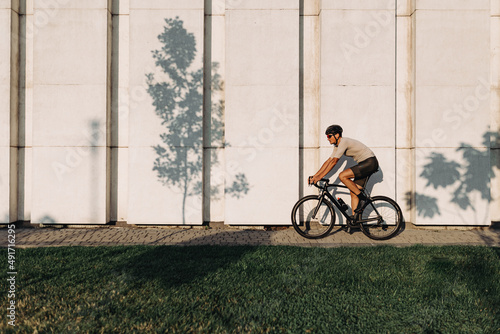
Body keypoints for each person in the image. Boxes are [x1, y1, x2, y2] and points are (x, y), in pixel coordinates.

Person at [308, 125, 379, 215]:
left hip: (369, 162)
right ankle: (354, 220)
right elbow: (329, 161)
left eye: (329, 136)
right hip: (364, 164)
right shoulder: (337, 146)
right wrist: (315, 176)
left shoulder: (343, 142)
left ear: (337, 135)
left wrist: (319, 177)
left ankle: (362, 198)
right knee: (354, 192)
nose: (328, 139)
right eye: (327, 137)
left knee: (342, 175)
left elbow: (334, 162)